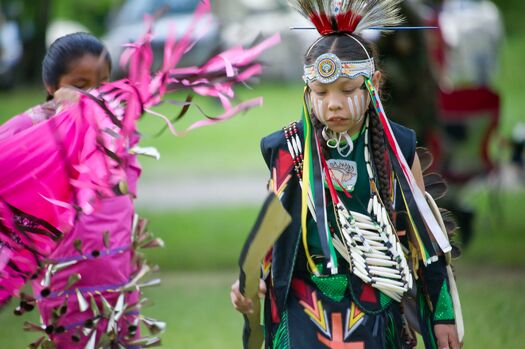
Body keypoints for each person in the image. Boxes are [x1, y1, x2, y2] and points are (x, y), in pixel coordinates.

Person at [0, 2, 280, 346]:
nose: (95, 93)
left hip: (120, 283)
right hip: (68, 287)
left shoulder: (117, 130)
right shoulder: (37, 128)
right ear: (51, 85)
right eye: (79, 84)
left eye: (102, 83)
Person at [231, 1, 461, 348]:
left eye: (347, 90)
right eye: (321, 93)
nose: (333, 104)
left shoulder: (397, 148)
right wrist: (251, 280)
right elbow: (273, 233)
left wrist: (442, 315)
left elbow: (424, 239)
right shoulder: (286, 149)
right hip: (302, 307)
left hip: (375, 307)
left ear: (374, 83)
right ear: (307, 91)